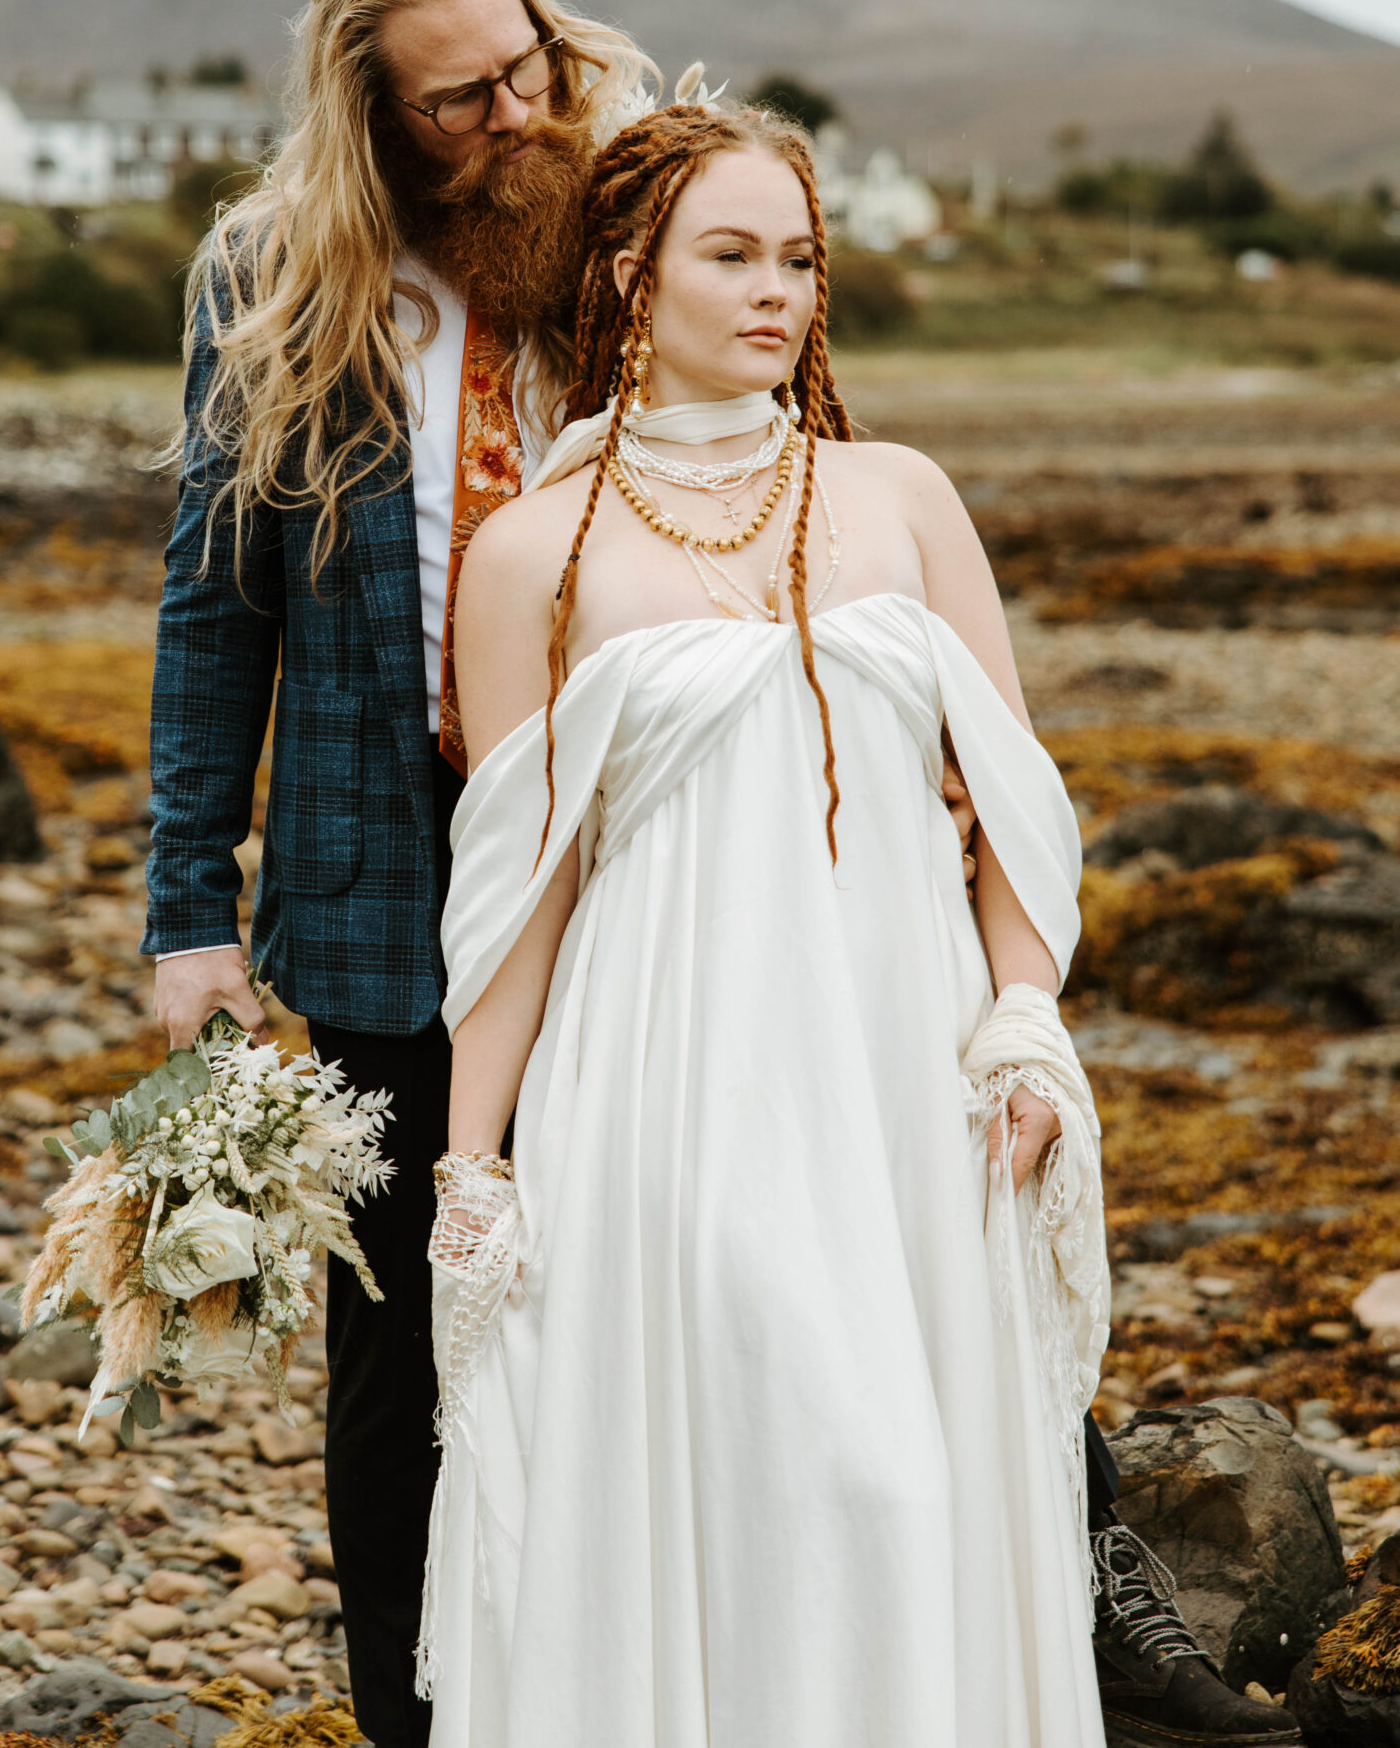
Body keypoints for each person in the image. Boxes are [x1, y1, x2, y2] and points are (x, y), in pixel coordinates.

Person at [417, 99, 1302, 1747]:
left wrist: (1025, 1025)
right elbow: (515, 899)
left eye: (802, 258)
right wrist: (475, 1174)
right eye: (733, 254)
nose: (779, 292)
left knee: (912, 1488)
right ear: (627, 275)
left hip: (906, 1082)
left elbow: (1016, 820)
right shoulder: (531, 551)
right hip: (665, 1082)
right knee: (773, 1480)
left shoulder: (898, 497)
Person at [141, 0, 656, 1747]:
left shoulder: (637, 226)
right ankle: (417, 1721)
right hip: (379, 898)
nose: (508, 119)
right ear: (366, 117)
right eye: (454, 103)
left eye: (525, 71)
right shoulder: (275, 274)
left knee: (668, 1279)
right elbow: (216, 611)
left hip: (636, 871)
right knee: (401, 1368)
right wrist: (188, 906)